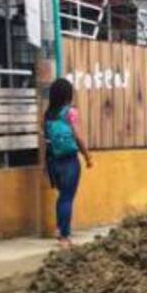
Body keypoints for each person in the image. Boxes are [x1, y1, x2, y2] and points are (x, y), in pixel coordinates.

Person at [43, 78, 93, 247]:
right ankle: (64, 237)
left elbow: (47, 140)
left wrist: (46, 166)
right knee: (67, 198)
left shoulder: (48, 115)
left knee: (62, 196)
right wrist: (87, 156)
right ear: (68, 95)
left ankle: (59, 229)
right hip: (69, 161)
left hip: (53, 162)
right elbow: (78, 137)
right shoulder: (70, 112)